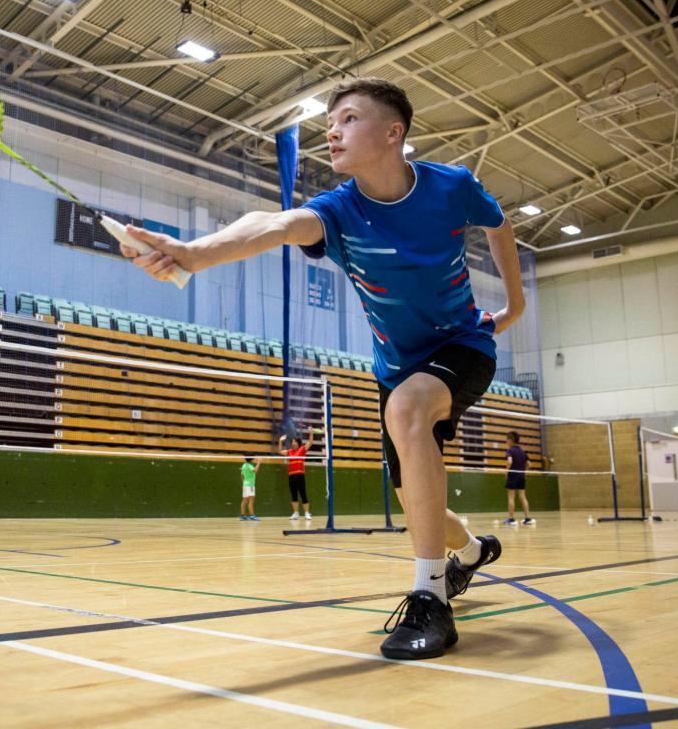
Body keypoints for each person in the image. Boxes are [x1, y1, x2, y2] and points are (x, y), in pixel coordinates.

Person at [119, 77, 525, 659]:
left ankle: (430, 598)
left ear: (394, 132)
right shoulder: (337, 211)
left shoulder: (450, 187)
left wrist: (516, 305)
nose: (332, 130)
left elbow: (499, 223)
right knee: (415, 498)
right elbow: (275, 225)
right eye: (328, 123)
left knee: (407, 408)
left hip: (464, 345)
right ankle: (469, 552)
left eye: (349, 118)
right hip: (397, 366)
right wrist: (197, 252)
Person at [278, 430, 314, 520]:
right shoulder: (289, 451)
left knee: (303, 495)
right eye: (292, 442)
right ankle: (296, 513)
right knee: (294, 495)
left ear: (298, 443)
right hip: (291, 476)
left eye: (295, 442)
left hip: (300, 475)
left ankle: (307, 513)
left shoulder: (302, 449)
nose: (293, 443)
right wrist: (280, 441)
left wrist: (311, 432)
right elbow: (280, 451)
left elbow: (310, 442)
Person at [504, 430, 534, 525]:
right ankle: (527, 518)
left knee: (511, 497)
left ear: (511, 440)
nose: (506, 442)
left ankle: (511, 519)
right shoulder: (522, 451)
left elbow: (509, 461)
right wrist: (524, 471)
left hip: (513, 474)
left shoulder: (510, 450)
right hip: (521, 475)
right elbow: (529, 464)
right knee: (522, 496)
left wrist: (507, 471)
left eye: (507, 439)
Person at [240, 455, 262, 521]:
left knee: (244, 500)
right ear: (252, 459)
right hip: (250, 485)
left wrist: (244, 482)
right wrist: (259, 463)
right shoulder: (250, 466)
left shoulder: (243, 465)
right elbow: (255, 471)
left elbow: (241, 475)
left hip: (245, 485)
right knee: (251, 500)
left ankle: (243, 516)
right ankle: (252, 516)